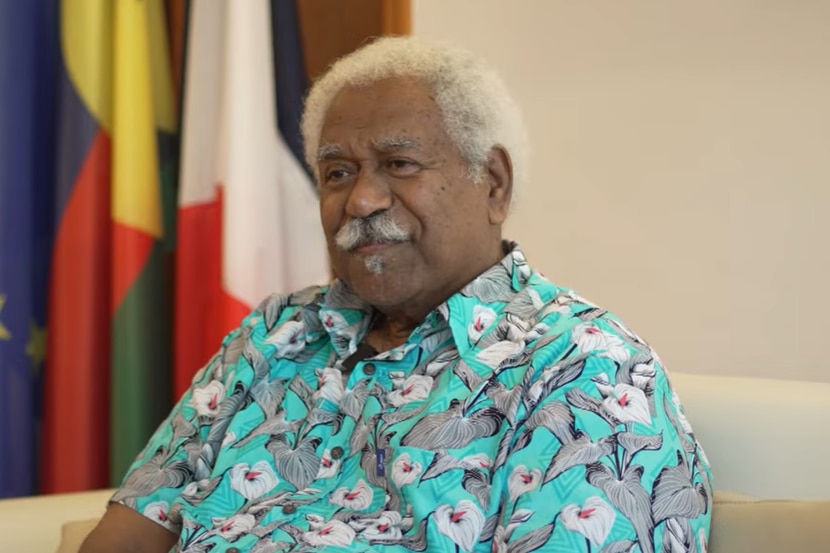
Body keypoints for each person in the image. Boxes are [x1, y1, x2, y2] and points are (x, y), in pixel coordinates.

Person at [81, 36, 712, 553]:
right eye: (338, 173)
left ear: (492, 183)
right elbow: (126, 534)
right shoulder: (274, 335)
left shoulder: (585, 370)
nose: (361, 200)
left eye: (400, 164)